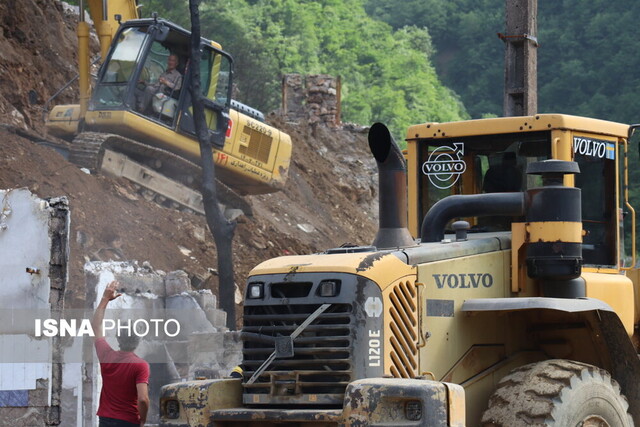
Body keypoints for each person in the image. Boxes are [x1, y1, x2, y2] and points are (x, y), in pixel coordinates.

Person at [92, 281, 150, 427]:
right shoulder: (140, 366)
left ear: (118, 338)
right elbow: (143, 399)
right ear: (138, 340)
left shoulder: (106, 355)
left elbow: (95, 326)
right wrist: (142, 419)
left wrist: (105, 299)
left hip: (105, 420)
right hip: (128, 421)